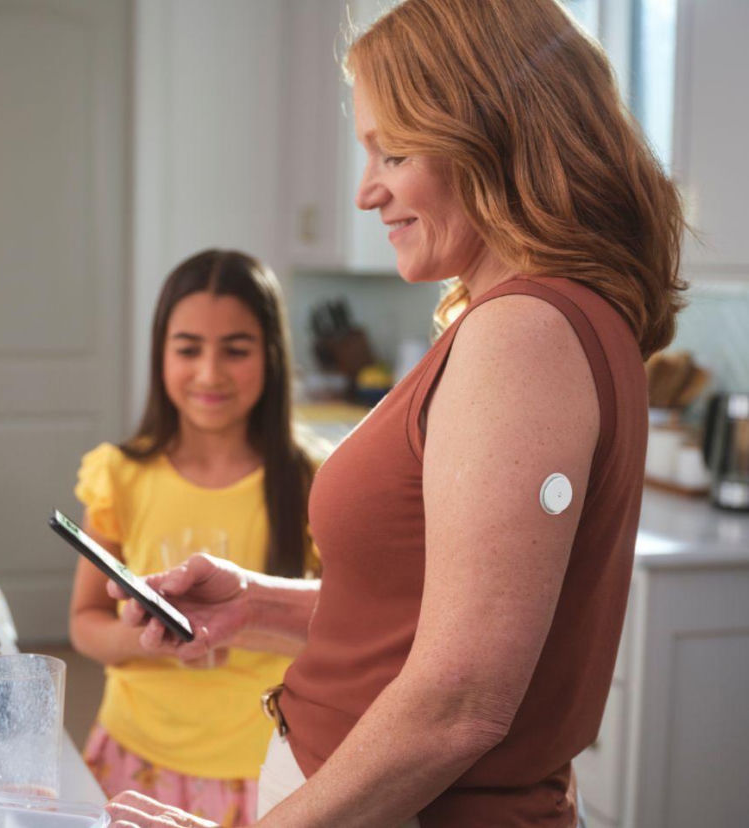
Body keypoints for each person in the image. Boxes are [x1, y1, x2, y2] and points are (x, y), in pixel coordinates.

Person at [102, 0, 685, 826]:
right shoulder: (532, 323)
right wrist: (256, 606)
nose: (366, 190)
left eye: (395, 151)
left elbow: (460, 701)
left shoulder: (523, 336)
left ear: (497, 137)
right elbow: (427, 618)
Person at [68, 248, 319, 827]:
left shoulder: (315, 481)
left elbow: (334, 636)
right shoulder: (119, 476)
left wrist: (235, 628)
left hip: (261, 763)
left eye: (236, 349)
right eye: (188, 349)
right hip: (134, 755)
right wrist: (148, 639)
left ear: (272, 355)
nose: (210, 373)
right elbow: (85, 623)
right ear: (160, 353)